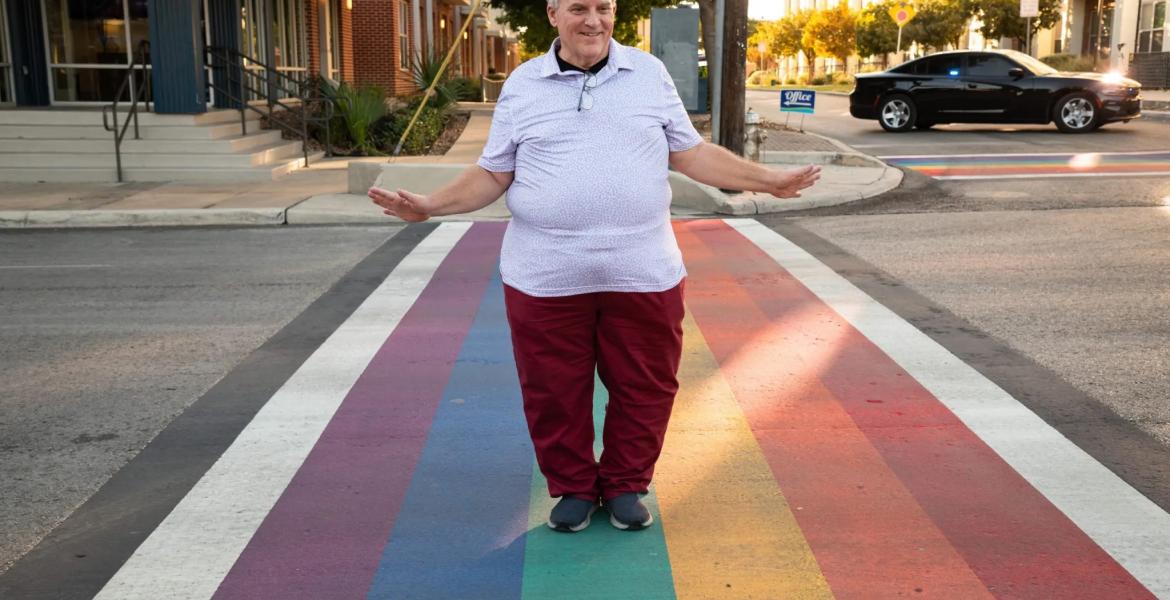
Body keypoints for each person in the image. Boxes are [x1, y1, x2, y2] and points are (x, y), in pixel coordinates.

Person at [369, 0, 821, 533]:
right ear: (553, 13)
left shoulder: (648, 74)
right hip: (545, 275)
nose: (593, 20)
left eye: (603, 7)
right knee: (552, 390)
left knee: (646, 385)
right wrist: (429, 206)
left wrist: (768, 180)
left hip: (643, 269)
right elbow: (494, 173)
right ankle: (574, 488)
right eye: (578, 8)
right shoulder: (524, 83)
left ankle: (627, 483)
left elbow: (691, 153)